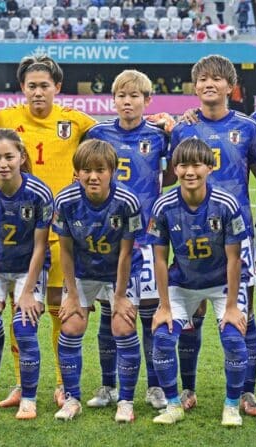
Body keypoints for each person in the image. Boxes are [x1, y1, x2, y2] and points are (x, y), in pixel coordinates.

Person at [0, 55, 97, 409]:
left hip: (62, 233)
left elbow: (112, 138)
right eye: (31, 86)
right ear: (22, 88)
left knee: (59, 309)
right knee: (21, 310)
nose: (37, 92)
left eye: (44, 85)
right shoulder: (3, 120)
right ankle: (21, 382)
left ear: (57, 88)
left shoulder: (77, 121)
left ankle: (63, 384)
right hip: (17, 234)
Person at [170, 54, 256, 417]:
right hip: (191, 232)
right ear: (195, 88)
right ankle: (188, 389)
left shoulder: (248, 128)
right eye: (203, 80)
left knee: (243, 312)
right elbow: (168, 174)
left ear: (230, 86)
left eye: (216, 79)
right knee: (191, 313)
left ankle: (246, 392)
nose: (209, 84)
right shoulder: (182, 129)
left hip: (237, 233)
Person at [85, 70, 171, 411]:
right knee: (109, 313)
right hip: (108, 237)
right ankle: (108, 386)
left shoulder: (160, 134)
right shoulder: (98, 133)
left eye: (135, 96)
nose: (127, 101)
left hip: (147, 238)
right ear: (113, 99)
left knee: (150, 315)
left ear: (147, 101)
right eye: (121, 95)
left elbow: (179, 169)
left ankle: (155, 387)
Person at [148, 138, 249, 426]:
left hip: (221, 283)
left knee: (233, 338)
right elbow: (159, 258)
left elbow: (234, 259)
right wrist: (164, 306)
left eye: (196, 165)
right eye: (182, 165)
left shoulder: (225, 204)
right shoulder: (164, 205)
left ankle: (231, 405)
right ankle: (173, 403)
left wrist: (231, 306)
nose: (189, 171)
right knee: (164, 338)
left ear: (210, 167)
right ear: (174, 168)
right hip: (183, 283)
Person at [52, 140, 144, 423]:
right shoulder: (65, 201)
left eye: (100, 170)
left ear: (112, 171)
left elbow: (126, 253)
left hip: (119, 271)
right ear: (77, 172)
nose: (93, 176)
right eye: (86, 170)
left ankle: (126, 401)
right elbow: (65, 250)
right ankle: (72, 399)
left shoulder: (127, 202)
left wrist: (119, 296)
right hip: (82, 271)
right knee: (71, 325)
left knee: (122, 325)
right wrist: (71, 295)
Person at [0, 129, 53, 420]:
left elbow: (41, 246)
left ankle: (29, 399)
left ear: (21, 158)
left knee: (25, 329)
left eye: (9, 157)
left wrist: (27, 291)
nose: (3, 163)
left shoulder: (39, 193)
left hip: (29, 268)